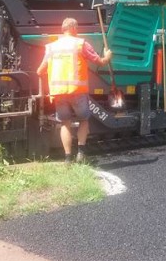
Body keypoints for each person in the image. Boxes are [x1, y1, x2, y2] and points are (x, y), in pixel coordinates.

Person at [37, 17, 112, 163]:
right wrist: (107, 56)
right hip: (77, 91)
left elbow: (40, 71)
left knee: (65, 123)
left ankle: (67, 158)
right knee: (84, 120)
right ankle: (81, 154)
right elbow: (100, 62)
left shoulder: (52, 47)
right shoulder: (80, 44)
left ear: (63, 29)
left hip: (59, 93)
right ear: (74, 29)